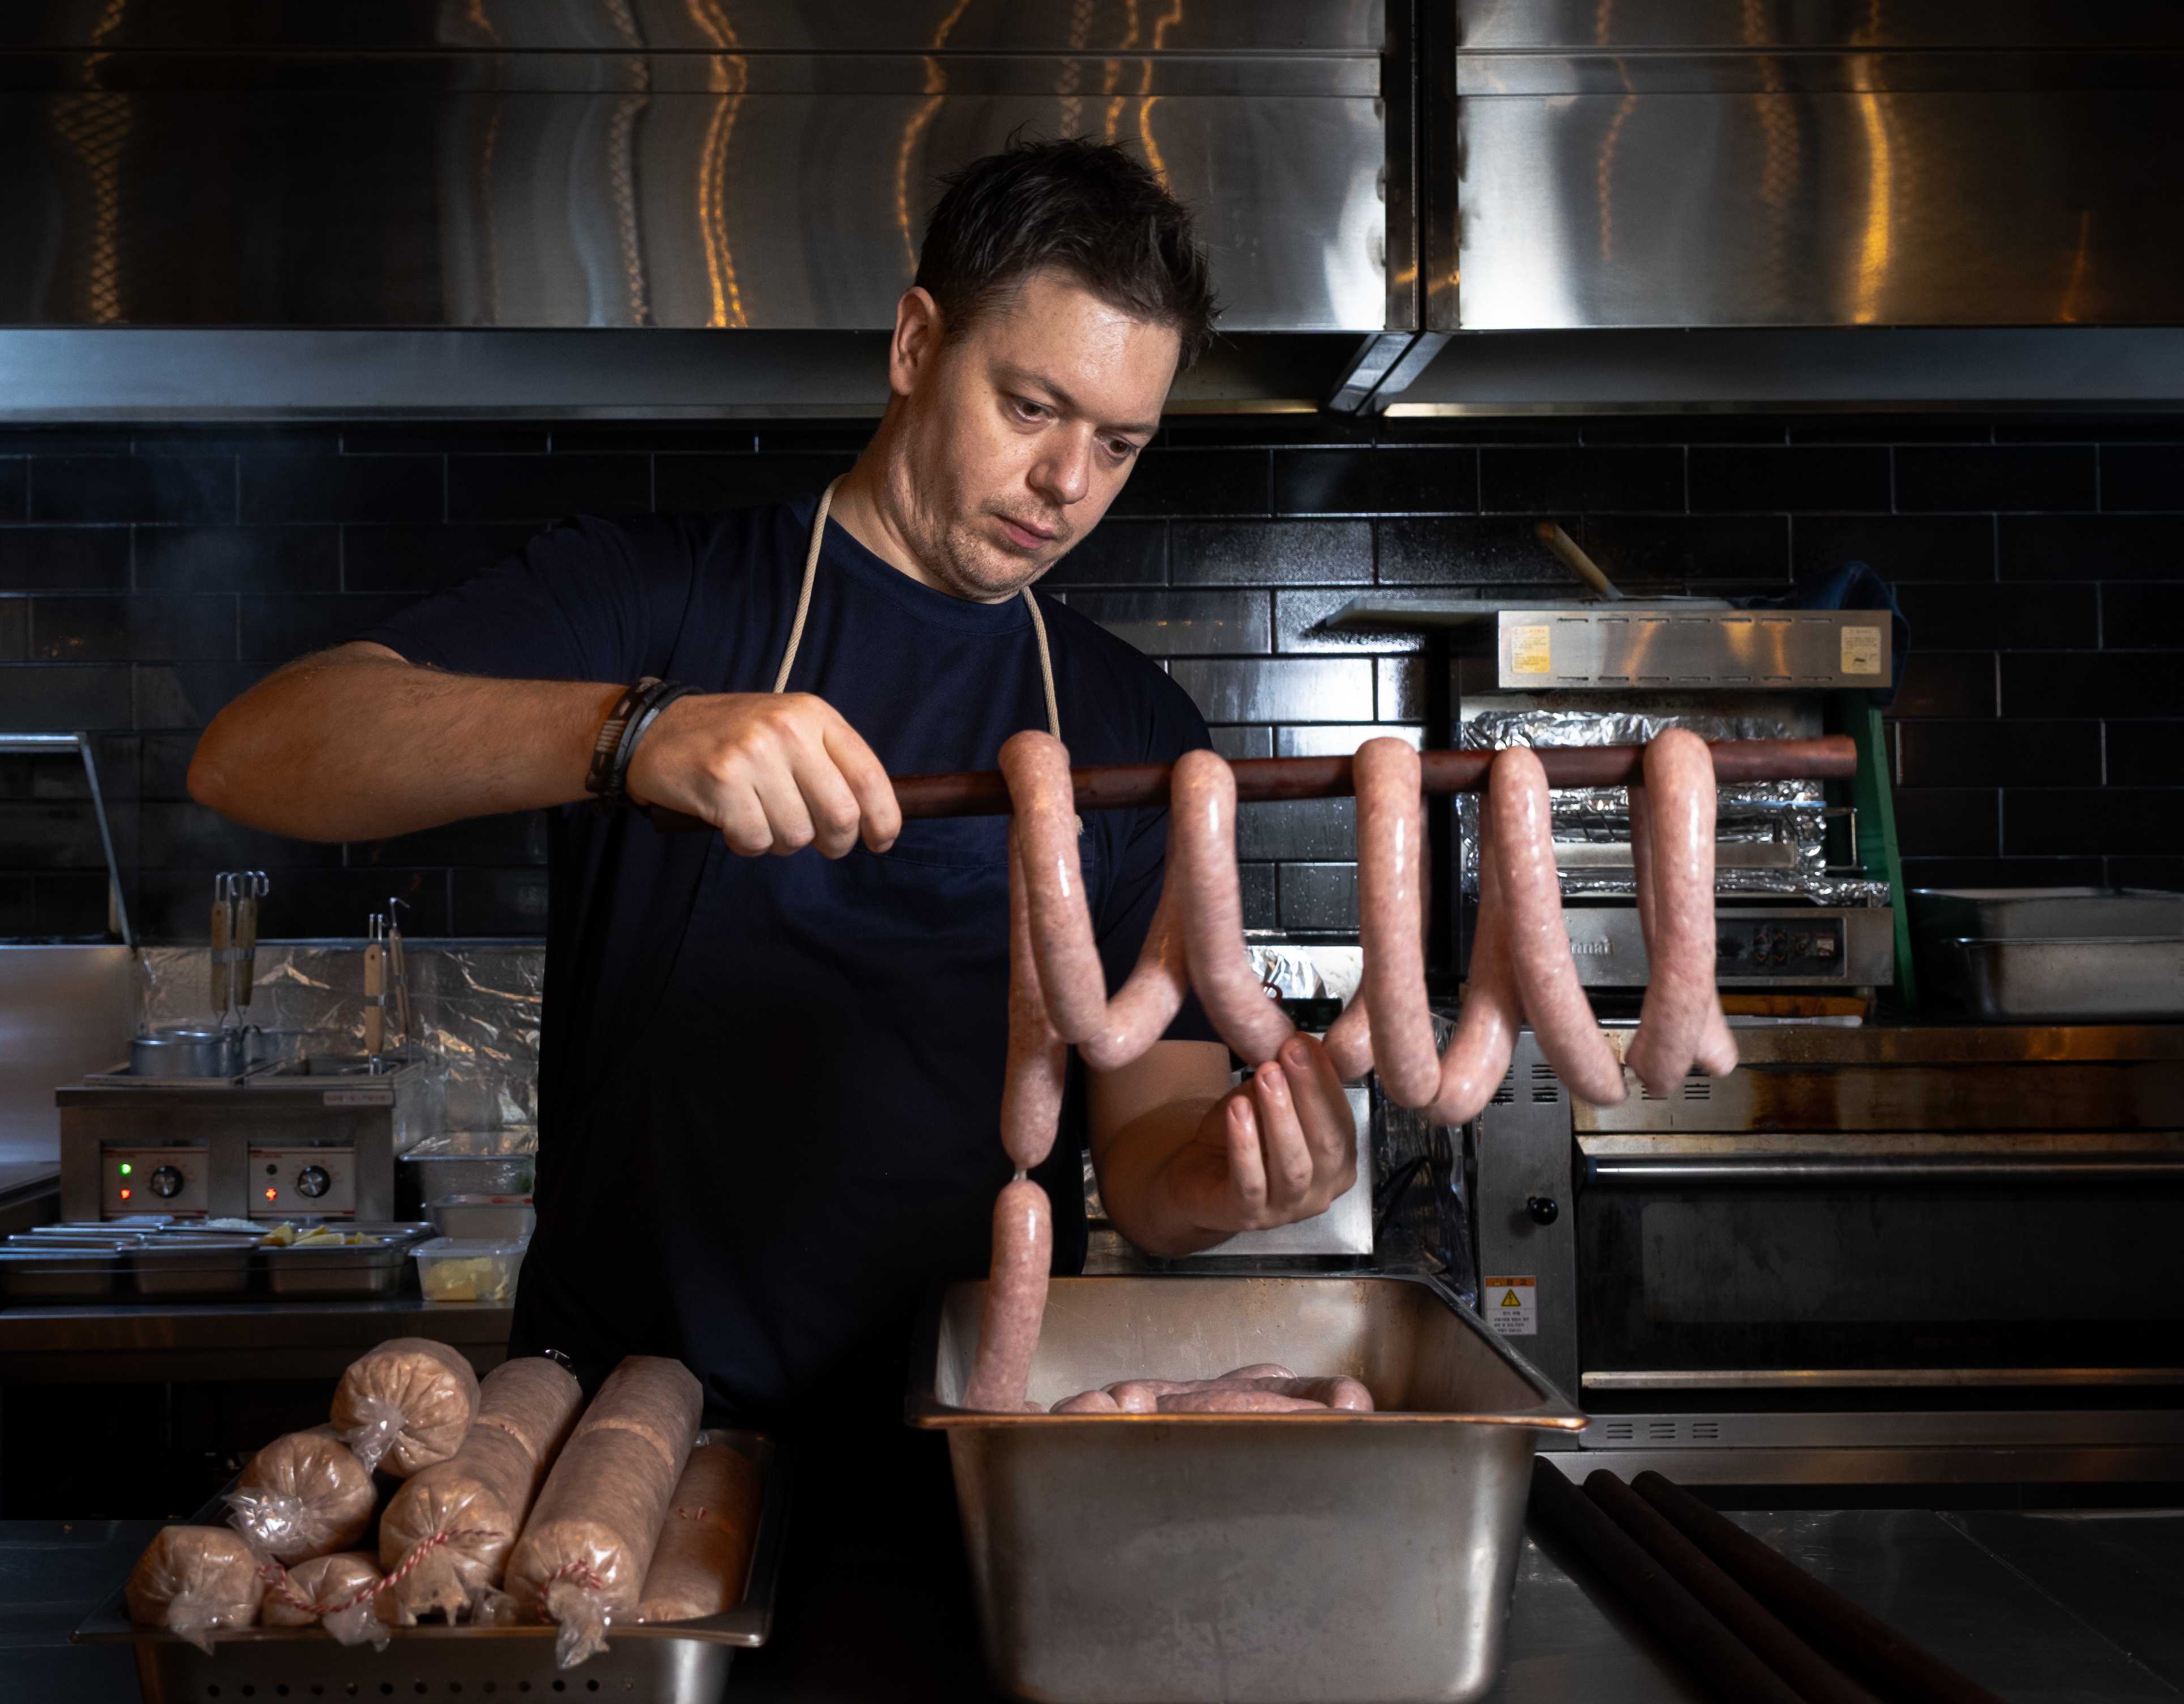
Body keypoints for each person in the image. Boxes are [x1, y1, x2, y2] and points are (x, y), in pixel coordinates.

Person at [190, 138, 1358, 1433]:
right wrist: (632, 734)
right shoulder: (661, 597)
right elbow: (256, 750)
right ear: (916, 345)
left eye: (1120, 443)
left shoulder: (1136, 728)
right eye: (1030, 408)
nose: (1067, 485)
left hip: (963, 1442)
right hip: (619, 1443)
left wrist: (1221, 1179)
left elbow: (1148, 1150)